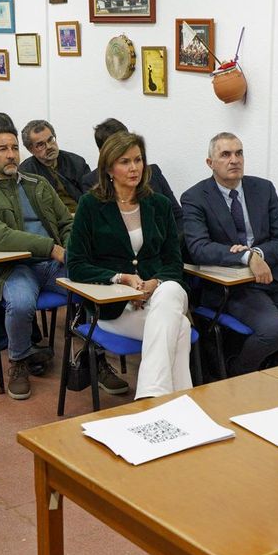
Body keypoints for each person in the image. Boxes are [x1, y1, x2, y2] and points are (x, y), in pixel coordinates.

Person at [181, 132, 278, 375]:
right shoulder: (195, 197)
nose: (235, 160)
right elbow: (199, 248)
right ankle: (236, 375)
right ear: (210, 163)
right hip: (231, 287)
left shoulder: (263, 189)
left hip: (274, 277)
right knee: (273, 330)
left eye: (239, 153)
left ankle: (272, 372)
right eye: (226, 154)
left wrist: (259, 253)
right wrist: (247, 257)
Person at [0, 126, 93, 399]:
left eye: (14, 148)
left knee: (96, 286)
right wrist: (52, 248)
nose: (11, 155)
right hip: (13, 267)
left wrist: (70, 248)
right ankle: (19, 361)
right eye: (3, 149)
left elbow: (66, 222)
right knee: (21, 304)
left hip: (52, 264)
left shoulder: (37, 184)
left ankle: (93, 358)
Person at [66, 132, 192, 400]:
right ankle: (178, 403)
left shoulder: (159, 204)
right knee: (180, 328)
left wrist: (153, 284)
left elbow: (173, 262)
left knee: (170, 290)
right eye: (125, 161)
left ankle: (151, 397)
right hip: (115, 308)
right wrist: (120, 278)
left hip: (157, 298)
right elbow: (75, 265)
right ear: (109, 168)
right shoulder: (91, 205)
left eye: (138, 160)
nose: (134, 168)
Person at [81, 117, 182, 229]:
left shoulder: (153, 173)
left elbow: (178, 216)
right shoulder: (91, 183)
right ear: (103, 152)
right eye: (118, 149)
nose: (133, 168)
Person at [20, 119, 91, 215]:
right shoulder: (25, 172)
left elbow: (92, 197)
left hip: (82, 217)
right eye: (41, 145)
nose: (49, 146)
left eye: (50, 140)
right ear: (30, 149)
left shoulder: (76, 162)